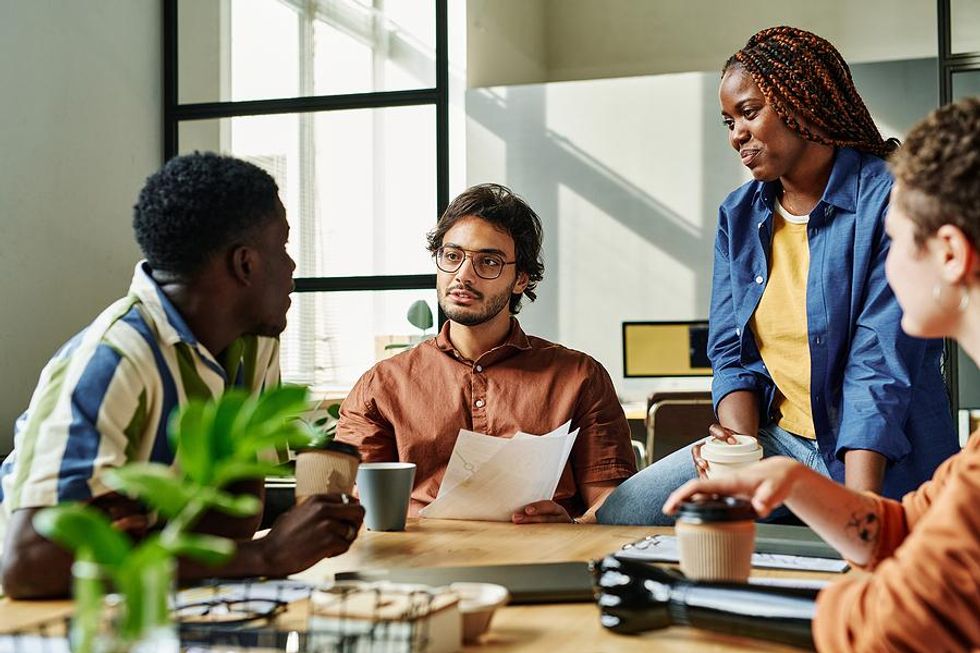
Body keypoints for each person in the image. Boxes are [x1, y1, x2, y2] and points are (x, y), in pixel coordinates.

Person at [598, 26, 958, 525]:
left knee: (855, 565)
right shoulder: (739, 215)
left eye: (749, 112)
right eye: (728, 121)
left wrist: (861, 514)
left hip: (882, 455)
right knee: (626, 515)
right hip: (778, 441)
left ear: (803, 104)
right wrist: (741, 455)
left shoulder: (888, 200)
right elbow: (731, 351)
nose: (736, 135)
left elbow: (879, 366)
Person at [658, 95, 980, 652]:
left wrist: (678, 602)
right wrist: (794, 479)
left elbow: (892, 622)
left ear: (949, 253)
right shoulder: (971, 467)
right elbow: (906, 529)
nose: (886, 257)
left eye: (898, 239)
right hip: (786, 444)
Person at [0, 152, 364, 599]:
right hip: (39, 619)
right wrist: (265, 556)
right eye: (283, 247)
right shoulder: (112, 361)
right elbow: (29, 567)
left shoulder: (253, 345)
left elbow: (234, 519)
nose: (291, 268)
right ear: (245, 264)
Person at [338, 183, 637, 523]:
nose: (463, 276)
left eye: (488, 262)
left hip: (542, 563)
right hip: (421, 566)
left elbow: (611, 505)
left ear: (521, 279)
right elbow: (354, 507)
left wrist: (572, 527)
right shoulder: (381, 386)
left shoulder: (579, 376)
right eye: (452, 256)